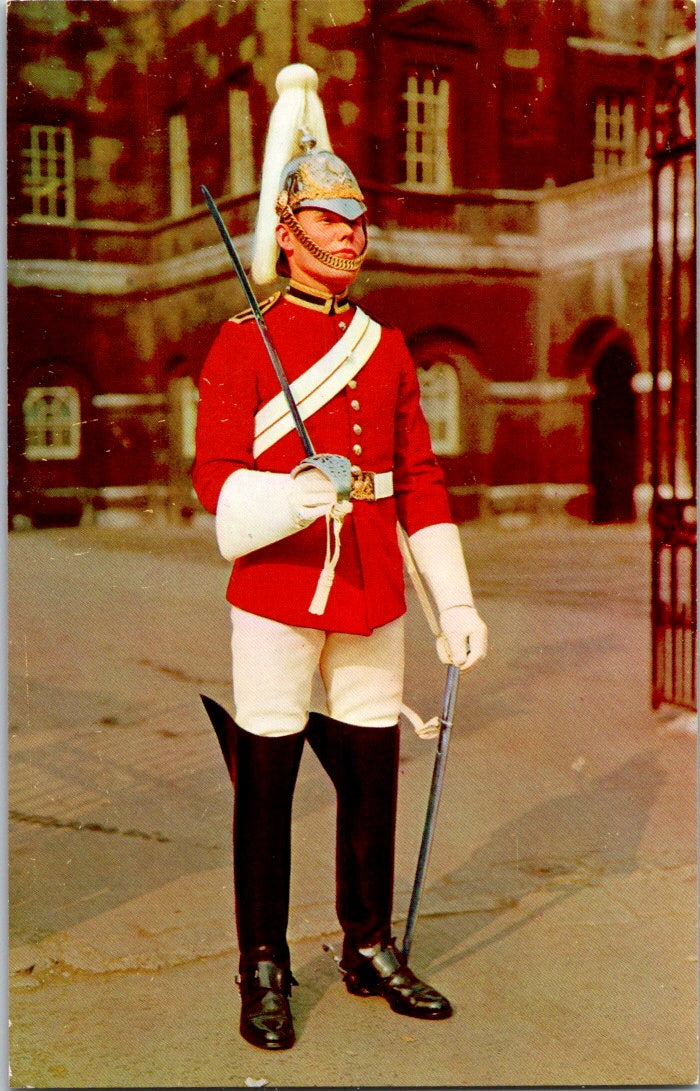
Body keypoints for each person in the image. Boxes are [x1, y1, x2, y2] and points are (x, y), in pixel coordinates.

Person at [193, 64, 487, 1051]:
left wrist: (451, 598)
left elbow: (420, 477)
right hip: (275, 591)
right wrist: (289, 495)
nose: (351, 233)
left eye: (357, 219)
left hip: (369, 590)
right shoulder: (240, 343)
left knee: (371, 772)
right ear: (286, 231)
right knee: (267, 780)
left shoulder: (386, 345)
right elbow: (215, 479)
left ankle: (366, 945)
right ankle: (263, 964)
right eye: (329, 219)